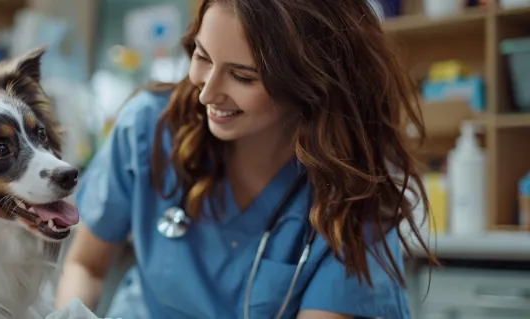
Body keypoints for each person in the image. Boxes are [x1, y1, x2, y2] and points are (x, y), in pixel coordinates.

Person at [55, 0, 437, 318]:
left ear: (311, 83)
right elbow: (85, 265)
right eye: (202, 57)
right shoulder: (148, 129)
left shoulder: (353, 197)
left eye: (242, 76)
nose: (207, 94)